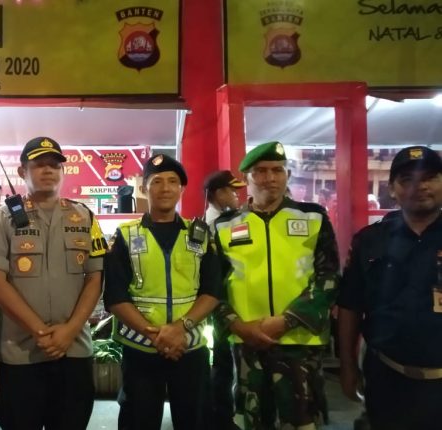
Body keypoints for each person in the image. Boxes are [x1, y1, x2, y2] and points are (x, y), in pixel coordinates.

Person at [0, 136, 108, 430]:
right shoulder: (2, 218)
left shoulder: (85, 216)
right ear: (22, 171)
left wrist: (69, 331)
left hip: (74, 350)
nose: (48, 170)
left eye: (54, 165)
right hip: (21, 354)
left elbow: (95, 277)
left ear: (62, 171)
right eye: (39, 165)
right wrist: (41, 331)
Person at [214, 141, 340, 430]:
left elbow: (329, 278)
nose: (270, 177)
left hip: (300, 344)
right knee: (251, 420)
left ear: (287, 175)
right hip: (247, 345)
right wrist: (237, 325)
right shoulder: (223, 226)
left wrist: (286, 321)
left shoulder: (314, 218)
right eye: (260, 171)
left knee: (302, 421)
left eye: (277, 170)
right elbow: (211, 288)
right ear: (246, 178)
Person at [103, 154, 221, 429]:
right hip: (141, 351)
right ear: (144, 189)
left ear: (182, 189)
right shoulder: (126, 236)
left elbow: (212, 290)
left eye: (172, 181)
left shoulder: (200, 234)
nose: (165, 188)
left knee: (194, 420)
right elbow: (116, 297)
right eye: (156, 181)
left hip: (189, 348)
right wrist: (156, 335)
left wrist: (179, 329)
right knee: (138, 421)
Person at [338, 146, 442, 430]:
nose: (420, 186)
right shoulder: (370, 240)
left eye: (430, 178)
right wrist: (347, 365)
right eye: (408, 179)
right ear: (392, 189)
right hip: (387, 378)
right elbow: (350, 306)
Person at [202, 169, 246, 430]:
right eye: (232, 191)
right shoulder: (214, 227)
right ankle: (222, 416)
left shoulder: (222, 222)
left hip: (227, 304)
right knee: (223, 361)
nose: (236, 195)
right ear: (218, 194)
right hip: (220, 305)